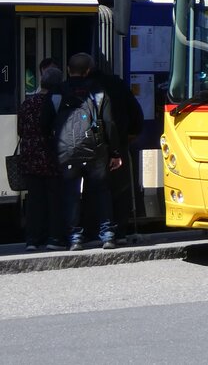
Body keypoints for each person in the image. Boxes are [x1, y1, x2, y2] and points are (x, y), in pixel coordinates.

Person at [47, 52, 122, 251]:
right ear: (88, 70)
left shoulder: (57, 92)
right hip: (96, 150)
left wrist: (55, 146)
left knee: (71, 193)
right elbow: (109, 124)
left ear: (68, 70)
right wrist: (114, 153)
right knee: (101, 191)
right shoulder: (99, 92)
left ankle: (75, 238)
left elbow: (44, 123)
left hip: (67, 150)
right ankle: (107, 235)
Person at [87, 62, 144, 244]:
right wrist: (131, 135)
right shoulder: (117, 84)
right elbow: (136, 114)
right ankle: (119, 231)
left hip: (89, 147)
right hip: (119, 142)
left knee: (94, 189)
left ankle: (93, 230)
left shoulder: (81, 87)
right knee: (120, 189)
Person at [17, 60, 63, 251]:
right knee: (54, 200)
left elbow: (21, 130)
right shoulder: (56, 102)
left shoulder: (27, 103)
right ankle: (53, 238)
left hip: (30, 158)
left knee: (34, 201)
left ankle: (32, 240)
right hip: (51, 158)